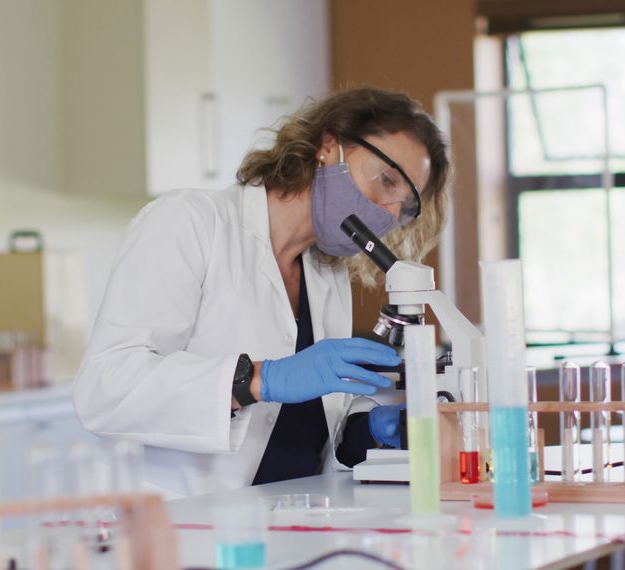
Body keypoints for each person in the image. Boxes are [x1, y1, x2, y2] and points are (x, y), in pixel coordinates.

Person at [72, 87, 450, 499]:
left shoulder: (327, 275)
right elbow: (104, 389)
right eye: (386, 180)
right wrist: (256, 379)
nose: (389, 213)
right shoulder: (191, 224)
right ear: (328, 146)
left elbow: (309, 429)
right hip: (183, 530)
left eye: (404, 205)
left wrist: (366, 431)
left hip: (290, 531)